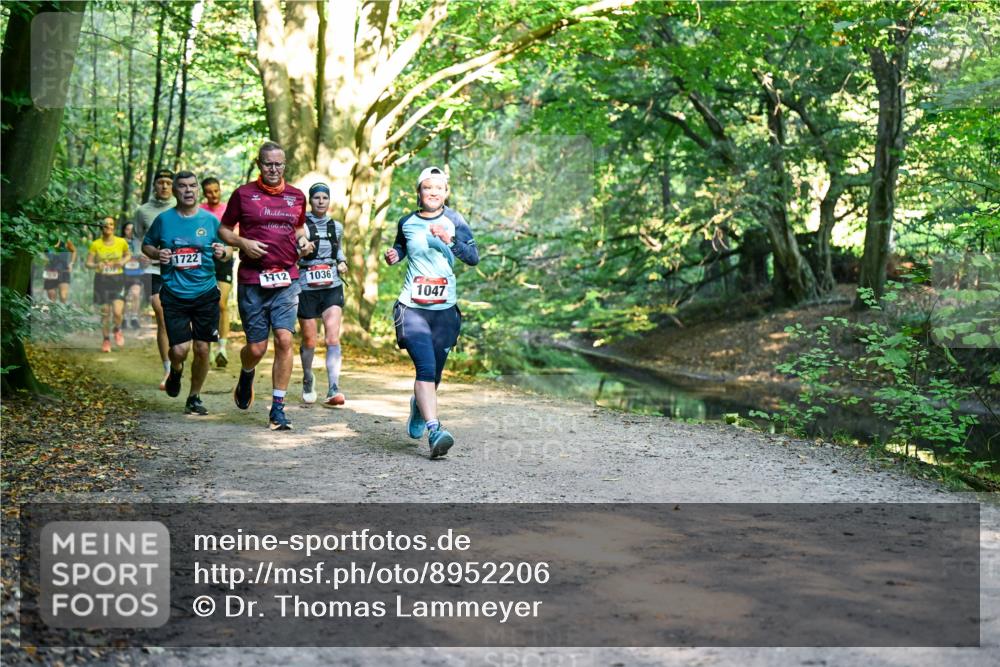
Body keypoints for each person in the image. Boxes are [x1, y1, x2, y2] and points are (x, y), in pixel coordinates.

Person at [384, 166, 479, 459]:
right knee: (424, 368)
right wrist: (394, 255)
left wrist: (449, 240)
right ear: (419, 192)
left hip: (444, 311)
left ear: (446, 192)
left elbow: (473, 258)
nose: (433, 192)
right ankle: (435, 430)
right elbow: (401, 247)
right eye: (428, 188)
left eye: (439, 188)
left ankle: (418, 406)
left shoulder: (455, 220)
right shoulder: (407, 221)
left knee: (435, 374)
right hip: (411, 308)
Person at [218, 141, 312, 431]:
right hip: (252, 279)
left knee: (285, 339)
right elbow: (223, 229)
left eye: (279, 164)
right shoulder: (243, 194)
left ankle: (278, 409)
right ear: (259, 164)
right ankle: (247, 372)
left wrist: (304, 242)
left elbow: (298, 227)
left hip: (286, 278)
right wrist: (242, 242)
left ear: (285, 165)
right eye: (268, 164)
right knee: (256, 348)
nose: (274, 169)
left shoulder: (296, 196)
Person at [142, 170, 232, 416]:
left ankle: (194, 397)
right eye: (183, 186)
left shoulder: (210, 220)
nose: (189, 190)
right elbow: (147, 244)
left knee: (203, 349)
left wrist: (222, 253)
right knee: (179, 350)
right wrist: (155, 254)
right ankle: (176, 370)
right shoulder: (163, 220)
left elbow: (229, 250)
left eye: (192, 186)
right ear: (175, 191)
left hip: (205, 292)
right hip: (174, 292)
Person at [297, 182, 349, 407]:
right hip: (306, 286)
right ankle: (308, 377)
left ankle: (333, 387)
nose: (320, 201)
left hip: (331, 285)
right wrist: (301, 251)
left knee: (332, 337)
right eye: (316, 197)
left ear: (329, 201)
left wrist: (343, 262)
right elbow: (292, 254)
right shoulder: (301, 226)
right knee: (310, 339)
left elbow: (339, 250)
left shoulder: (336, 226)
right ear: (311, 200)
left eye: (324, 198)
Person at [134, 169, 175, 389]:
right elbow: (137, 237)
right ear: (155, 185)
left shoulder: (181, 208)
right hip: (152, 268)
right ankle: (168, 370)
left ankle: (179, 359)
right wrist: (138, 255)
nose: (165, 186)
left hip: (179, 268)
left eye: (169, 182)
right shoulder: (143, 211)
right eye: (161, 182)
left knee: (179, 315)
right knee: (160, 311)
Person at [200, 176, 232, 368]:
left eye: (216, 190)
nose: (213, 195)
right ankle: (209, 346)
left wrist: (229, 249)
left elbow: (235, 235)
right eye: (209, 192)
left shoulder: (228, 209)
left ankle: (222, 348)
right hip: (205, 260)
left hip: (225, 259)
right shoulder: (200, 211)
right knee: (207, 304)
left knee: (221, 303)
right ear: (204, 194)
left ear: (220, 189)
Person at [86, 217, 130, 353]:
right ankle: (106, 340)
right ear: (101, 227)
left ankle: (117, 329)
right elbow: (87, 263)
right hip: (101, 280)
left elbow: (128, 255)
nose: (108, 226)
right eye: (105, 224)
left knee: (117, 312)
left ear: (114, 227)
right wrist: (96, 264)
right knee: (105, 312)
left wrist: (122, 262)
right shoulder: (95, 244)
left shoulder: (121, 242)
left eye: (111, 224)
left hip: (118, 279)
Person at [121, 221, 147, 329]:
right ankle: (124, 318)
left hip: (137, 272)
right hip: (122, 273)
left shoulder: (139, 242)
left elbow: (145, 256)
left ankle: (134, 318)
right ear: (124, 231)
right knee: (125, 296)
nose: (130, 231)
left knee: (136, 294)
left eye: (132, 229)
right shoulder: (120, 242)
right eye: (127, 229)